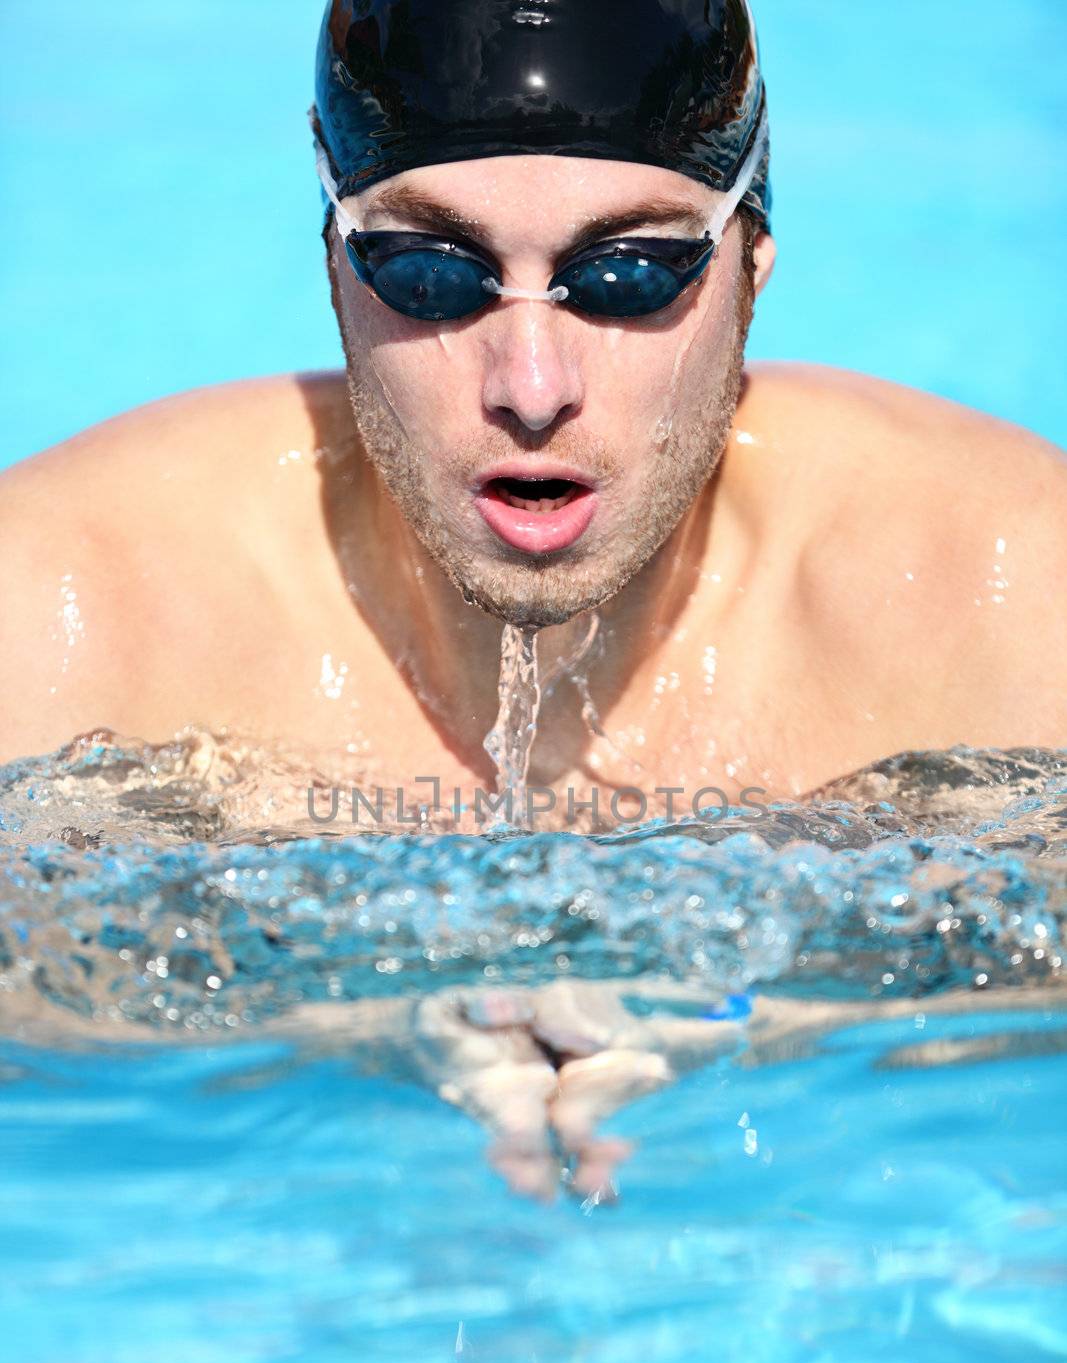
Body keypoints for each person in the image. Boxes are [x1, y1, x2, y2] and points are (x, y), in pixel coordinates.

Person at [0, 0, 1063, 815]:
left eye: (626, 273)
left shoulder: (1011, 609)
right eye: (428, 271)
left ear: (752, 265)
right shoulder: (62, 615)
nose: (531, 387)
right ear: (333, 266)